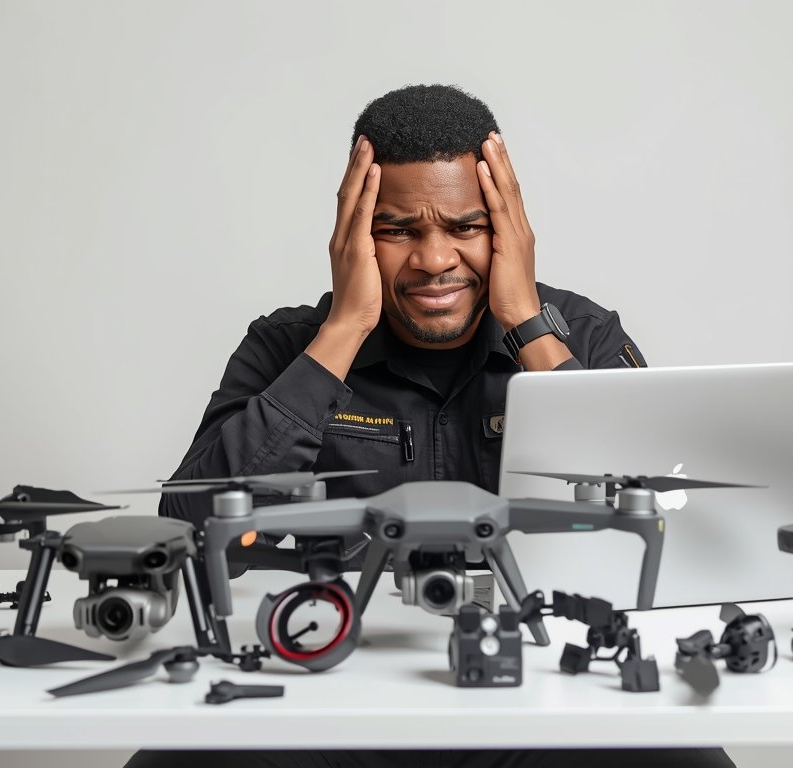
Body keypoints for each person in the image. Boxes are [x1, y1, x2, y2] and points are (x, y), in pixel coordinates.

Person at [129, 85, 733, 768]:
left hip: (546, 698)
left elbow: (666, 518)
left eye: (465, 228)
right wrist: (344, 333)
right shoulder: (288, 345)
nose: (435, 259)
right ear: (354, 236)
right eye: (398, 231)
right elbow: (184, 524)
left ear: (507, 231)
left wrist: (527, 324)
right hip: (333, 696)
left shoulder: (581, 335)